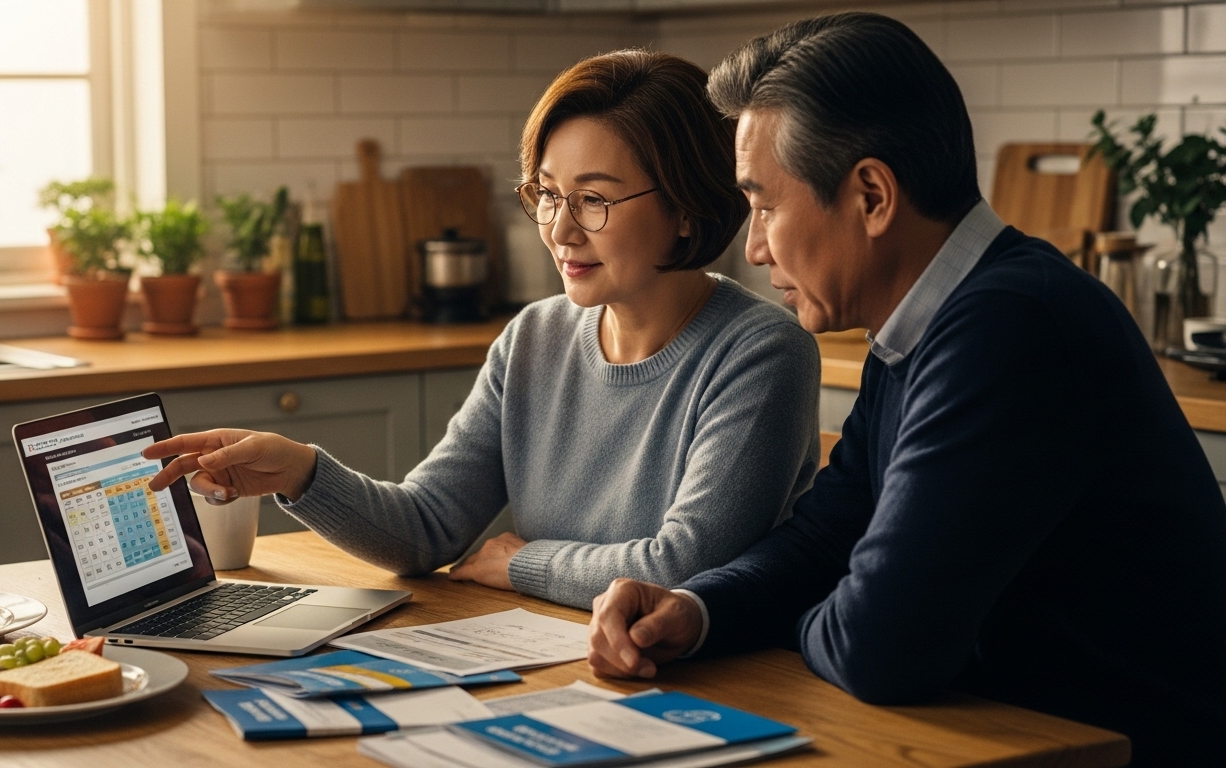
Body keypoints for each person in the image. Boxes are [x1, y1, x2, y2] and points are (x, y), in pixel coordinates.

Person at [586, 13, 1226, 766]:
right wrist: (696, 609)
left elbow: (880, 648)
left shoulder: (1009, 327)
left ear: (872, 195)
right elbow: (829, 534)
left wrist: (817, 610)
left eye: (763, 205)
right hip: (1001, 734)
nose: (753, 248)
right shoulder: (927, 321)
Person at [143, 50, 821, 611]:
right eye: (548, 194)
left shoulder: (761, 352)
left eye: (593, 199)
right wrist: (301, 473)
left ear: (687, 207)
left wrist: (525, 563)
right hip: (553, 661)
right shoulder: (535, 338)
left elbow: (683, 566)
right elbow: (427, 528)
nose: (558, 229)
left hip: (711, 689)